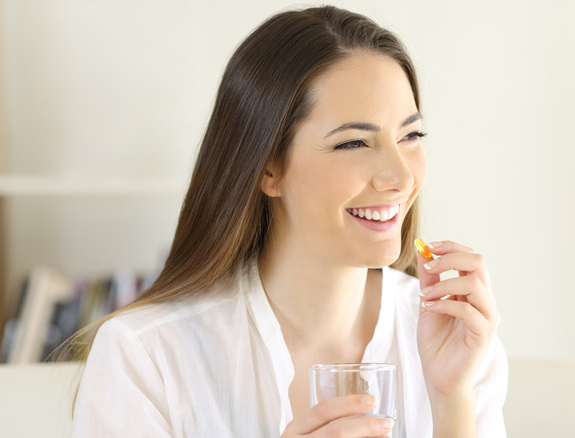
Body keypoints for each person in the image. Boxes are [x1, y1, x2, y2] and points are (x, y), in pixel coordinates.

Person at [69, 5, 507, 437]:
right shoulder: (146, 354)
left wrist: (451, 399)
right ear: (268, 168)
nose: (401, 177)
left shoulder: (456, 339)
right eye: (354, 143)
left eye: (410, 136)